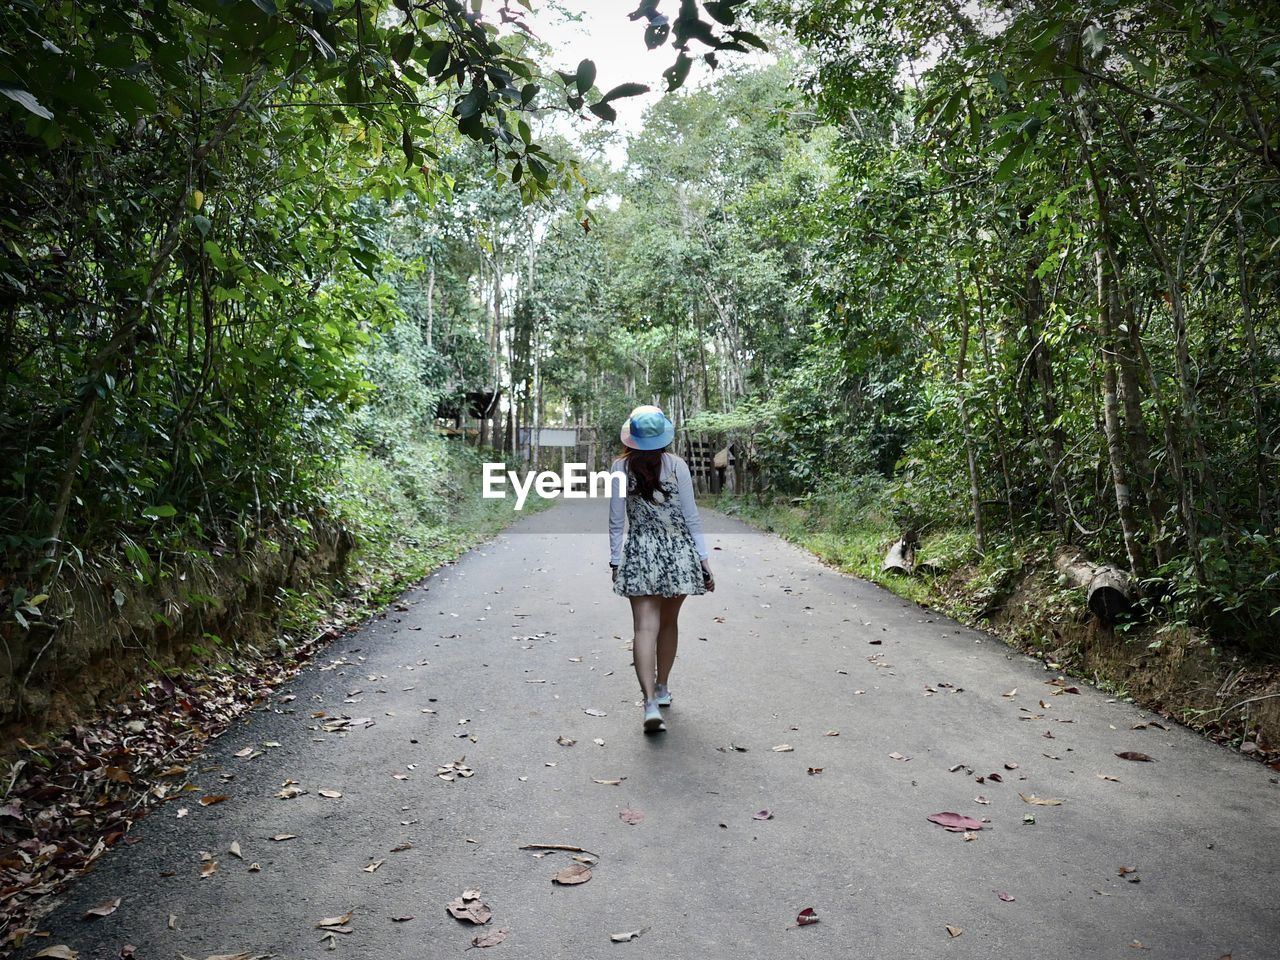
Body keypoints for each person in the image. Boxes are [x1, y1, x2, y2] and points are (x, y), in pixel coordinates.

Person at [608, 405, 714, 733]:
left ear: (633, 438)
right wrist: (703, 560)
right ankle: (663, 686)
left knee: (644, 628)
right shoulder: (677, 465)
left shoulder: (619, 467)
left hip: (640, 553)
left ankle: (649, 702)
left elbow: (616, 521)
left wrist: (615, 561)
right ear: (663, 438)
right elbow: (690, 516)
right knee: (669, 623)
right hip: (678, 553)